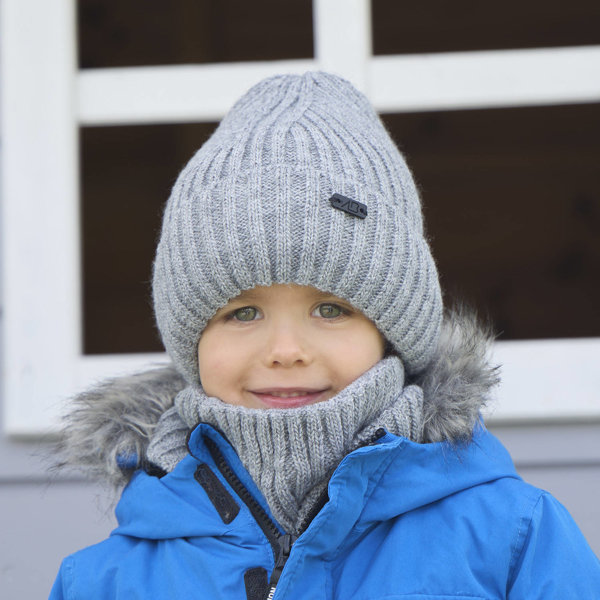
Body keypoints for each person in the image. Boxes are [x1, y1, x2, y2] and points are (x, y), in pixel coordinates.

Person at [50, 71, 600, 599]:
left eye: (331, 309)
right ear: (191, 341)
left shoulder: (512, 539)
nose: (286, 351)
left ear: (390, 333)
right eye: (243, 314)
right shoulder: (106, 581)